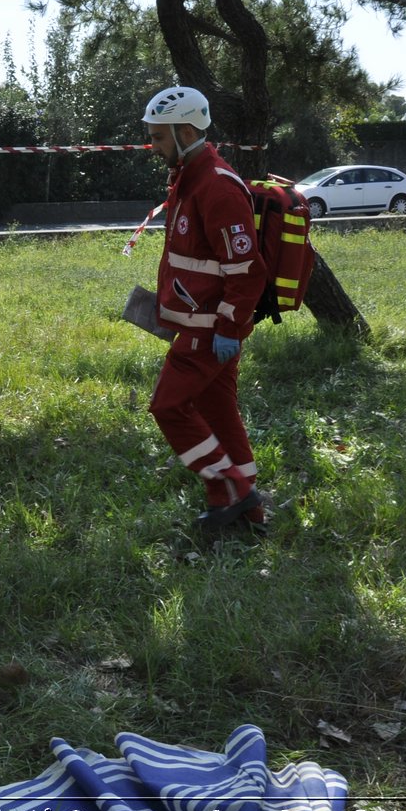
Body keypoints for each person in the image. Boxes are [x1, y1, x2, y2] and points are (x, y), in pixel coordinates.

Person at [141, 86, 269, 539]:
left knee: (168, 406)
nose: (151, 146)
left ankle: (231, 490)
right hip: (200, 324)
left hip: (210, 328)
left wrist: (229, 325)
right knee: (219, 410)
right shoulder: (188, 176)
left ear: (186, 130)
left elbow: (247, 270)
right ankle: (250, 510)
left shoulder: (215, 184)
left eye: (158, 137)